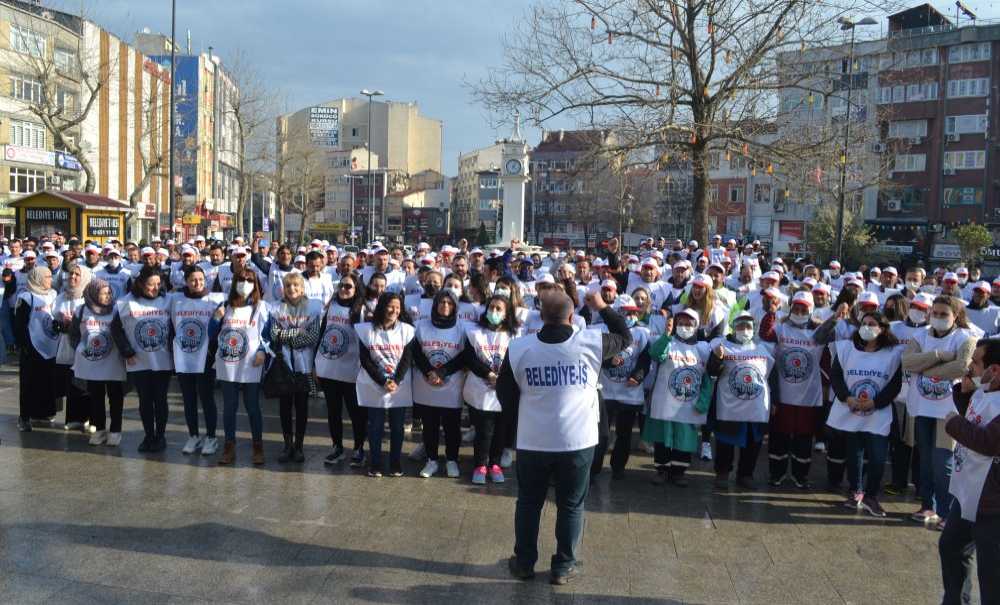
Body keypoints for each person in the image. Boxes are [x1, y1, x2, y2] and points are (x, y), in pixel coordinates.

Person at [498, 290, 631, 585]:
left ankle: (524, 562)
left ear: (541, 316)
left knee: (529, 502)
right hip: (577, 441)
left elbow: (505, 393)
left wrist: (526, 418)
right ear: (572, 316)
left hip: (533, 439)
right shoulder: (591, 342)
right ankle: (564, 564)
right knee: (571, 504)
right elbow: (625, 337)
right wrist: (602, 307)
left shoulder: (519, 348)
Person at [903, 295, 976, 528]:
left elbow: (962, 366)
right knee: (925, 459)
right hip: (922, 407)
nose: (938, 317)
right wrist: (937, 356)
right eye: (934, 313)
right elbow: (907, 362)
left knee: (943, 461)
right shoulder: (920, 336)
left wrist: (925, 369)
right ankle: (928, 505)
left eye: (944, 314)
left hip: (949, 411)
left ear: (956, 316)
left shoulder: (965, 338)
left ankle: (947, 512)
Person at [939, 338, 1000, 605]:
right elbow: (976, 417)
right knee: (951, 546)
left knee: (992, 574)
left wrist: (953, 423)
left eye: (975, 362)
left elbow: (988, 441)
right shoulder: (986, 389)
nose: (969, 367)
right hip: (970, 493)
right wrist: (964, 392)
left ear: (994, 370)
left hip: (992, 502)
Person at [828, 311, 902, 517]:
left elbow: (895, 384)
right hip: (851, 410)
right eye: (864, 323)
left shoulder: (894, 353)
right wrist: (847, 398)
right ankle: (855, 491)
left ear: (883, 329)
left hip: (878, 412)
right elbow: (836, 376)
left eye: (872, 324)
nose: (866, 327)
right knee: (854, 455)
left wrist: (875, 402)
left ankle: (871, 496)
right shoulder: (846, 349)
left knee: (878, 456)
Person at [706, 311, 776, 489]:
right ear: (733, 327)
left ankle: (745, 474)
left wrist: (774, 400)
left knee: (753, 442)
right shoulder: (722, 346)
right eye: (740, 326)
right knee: (725, 441)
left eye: (748, 326)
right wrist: (717, 358)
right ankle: (722, 473)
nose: (744, 330)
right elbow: (712, 372)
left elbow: (771, 377)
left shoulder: (762, 350)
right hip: (729, 405)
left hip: (755, 406)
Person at [762, 291, 825, 488]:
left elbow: (833, 333)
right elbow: (765, 334)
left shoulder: (818, 331)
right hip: (783, 394)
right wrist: (772, 313)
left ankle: (801, 476)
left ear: (811, 310)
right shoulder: (781, 328)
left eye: (803, 309)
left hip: (808, 396)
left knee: (804, 438)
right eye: (796, 308)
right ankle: (776, 474)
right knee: (779, 435)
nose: (799, 312)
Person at [111, 265, 173, 452]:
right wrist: (126, 351)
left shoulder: (168, 300)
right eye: (150, 284)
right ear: (140, 283)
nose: (155, 288)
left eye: (158, 284)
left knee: (160, 399)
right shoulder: (126, 302)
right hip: (138, 360)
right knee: (145, 400)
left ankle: (160, 436)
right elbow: (116, 329)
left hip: (162, 359)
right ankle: (149, 435)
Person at [211, 268, 269, 465]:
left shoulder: (261, 307)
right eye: (241, 280)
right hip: (228, 363)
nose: (245, 284)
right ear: (235, 282)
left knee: (252, 406)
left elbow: (267, 333)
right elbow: (212, 334)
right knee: (229, 406)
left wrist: (262, 350)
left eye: (250, 280)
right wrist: (216, 318)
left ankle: (258, 445)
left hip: (251, 364)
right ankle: (229, 446)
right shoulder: (225, 306)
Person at [356, 292, 416, 477]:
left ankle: (395, 463)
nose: (394, 310)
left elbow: (407, 358)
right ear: (382, 306)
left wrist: (395, 381)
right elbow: (365, 359)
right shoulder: (366, 330)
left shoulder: (407, 330)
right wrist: (382, 380)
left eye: (398, 307)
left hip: (399, 385)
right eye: (390, 306)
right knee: (375, 426)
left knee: (397, 426)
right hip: (374, 384)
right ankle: (375, 463)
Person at [170, 265, 226, 456]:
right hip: (183, 356)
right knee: (188, 399)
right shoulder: (176, 300)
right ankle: (193, 435)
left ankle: (211, 437)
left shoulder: (216, 299)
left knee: (206, 397)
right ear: (186, 281)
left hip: (206, 358)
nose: (197, 283)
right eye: (193, 280)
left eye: (201, 279)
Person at [268, 272, 323, 463]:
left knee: (301, 407)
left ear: (302, 288)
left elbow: (313, 335)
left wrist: (290, 339)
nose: (292, 289)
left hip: (304, 364)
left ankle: (299, 446)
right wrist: (298, 332)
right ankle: (287, 445)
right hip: (285, 364)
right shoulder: (276, 308)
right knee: (284, 406)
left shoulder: (313, 307)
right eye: (288, 286)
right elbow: (275, 334)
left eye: (296, 286)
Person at [464, 294, 519, 483]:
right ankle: (480, 464)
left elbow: (516, 361)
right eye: (491, 307)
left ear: (506, 314)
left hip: (504, 390)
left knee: (500, 430)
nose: (494, 311)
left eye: (499, 309)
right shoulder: (474, 332)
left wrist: (502, 378)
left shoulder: (514, 335)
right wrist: (488, 374)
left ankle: (494, 463)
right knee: (484, 430)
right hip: (481, 388)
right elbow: (470, 358)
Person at [413, 290, 466, 479]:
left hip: (451, 385)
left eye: (449, 303)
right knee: (430, 425)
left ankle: (452, 460)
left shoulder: (462, 328)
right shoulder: (421, 326)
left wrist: (442, 372)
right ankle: (432, 460)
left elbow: (464, 356)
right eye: (442, 302)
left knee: (452, 426)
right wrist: (430, 371)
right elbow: (416, 352)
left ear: (455, 307)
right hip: (427, 382)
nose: (445, 306)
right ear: (435, 305)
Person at [315, 273, 367, 467]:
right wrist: (315, 363)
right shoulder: (330, 306)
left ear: (356, 289)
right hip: (329, 368)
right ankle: (337, 447)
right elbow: (322, 332)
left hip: (352, 370)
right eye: (342, 285)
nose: (344, 289)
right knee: (333, 411)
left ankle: (359, 448)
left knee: (356, 413)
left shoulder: (361, 310)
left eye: (349, 286)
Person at [598, 295, 650, 480]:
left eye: (633, 313)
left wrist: (638, 376)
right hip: (605, 391)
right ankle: (594, 468)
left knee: (624, 433)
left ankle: (618, 467)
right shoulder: (601, 330)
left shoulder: (642, 332)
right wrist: (608, 361)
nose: (630, 316)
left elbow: (645, 358)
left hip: (629, 392)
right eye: (626, 313)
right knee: (601, 434)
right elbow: (593, 355)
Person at [72, 278, 126, 446]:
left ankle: (115, 430)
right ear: (94, 294)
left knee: (115, 396)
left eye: (109, 293)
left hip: (113, 360)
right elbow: (74, 334)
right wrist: (80, 349)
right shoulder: (81, 310)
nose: (107, 296)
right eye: (103, 293)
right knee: (96, 397)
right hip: (91, 361)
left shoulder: (116, 310)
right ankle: (99, 429)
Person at [13, 266, 58, 431]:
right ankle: (24, 417)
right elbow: (19, 324)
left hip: (50, 344)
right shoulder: (26, 297)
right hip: (31, 346)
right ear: (37, 278)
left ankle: (43, 413)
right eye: (47, 277)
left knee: (47, 381)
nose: (50, 279)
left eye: (50, 276)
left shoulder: (53, 294)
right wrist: (24, 345)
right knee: (28, 383)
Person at [51, 264, 92, 432]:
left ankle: (87, 418)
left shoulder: (89, 298)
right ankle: (73, 418)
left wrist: (74, 323)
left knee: (84, 382)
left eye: (77, 274)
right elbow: (54, 321)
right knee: (69, 380)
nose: (73, 277)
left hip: (84, 344)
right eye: (71, 273)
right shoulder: (61, 297)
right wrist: (62, 324)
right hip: (65, 344)